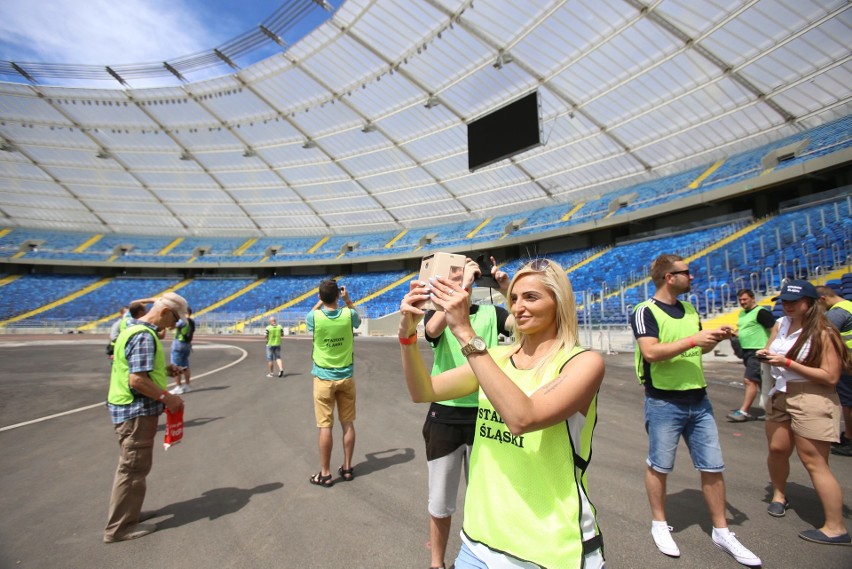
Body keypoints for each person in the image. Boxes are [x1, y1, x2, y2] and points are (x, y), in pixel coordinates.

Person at [399, 258, 606, 569]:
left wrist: (466, 333)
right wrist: (407, 336)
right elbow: (423, 390)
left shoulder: (581, 363)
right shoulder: (496, 356)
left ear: (559, 302)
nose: (519, 306)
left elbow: (523, 418)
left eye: (531, 297)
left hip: (550, 551)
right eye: (514, 298)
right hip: (479, 544)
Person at [630, 254, 761, 566]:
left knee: (713, 466)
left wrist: (713, 338)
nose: (692, 277)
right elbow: (650, 352)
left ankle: (722, 530)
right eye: (686, 273)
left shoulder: (689, 309)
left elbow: (698, 347)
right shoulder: (644, 310)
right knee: (659, 465)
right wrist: (693, 339)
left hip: (698, 399)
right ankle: (659, 524)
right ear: (668, 277)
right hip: (663, 401)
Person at [421, 256, 514, 569]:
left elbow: (523, 325)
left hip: (485, 415)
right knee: (440, 501)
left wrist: (507, 288)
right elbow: (431, 332)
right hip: (445, 417)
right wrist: (460, 288)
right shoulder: (437, 314)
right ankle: (437, 563)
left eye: (467, 273)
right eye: (458, 274)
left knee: (485, 498)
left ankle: (481, 559)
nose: (465, 279)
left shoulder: (491, 312)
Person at [760, 280, 852, 545]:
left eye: (793, 301)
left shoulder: (824, 332)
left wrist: (788, 362)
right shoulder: (781, 325)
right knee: (777, 449)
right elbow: (771, 347)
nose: (786, 305)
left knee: (814, 461)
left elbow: (830, 376)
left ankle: (835, 527)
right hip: (781, 392)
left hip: (812, 396)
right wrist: (766, 355)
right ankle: (779, 495)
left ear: (811, 304)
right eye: (784, 301)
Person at [104, 293, 187, 543]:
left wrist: (164, 369)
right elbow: (137, 380)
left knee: (136, 467)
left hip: (127, 408)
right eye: (174, 319)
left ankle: (131, 512)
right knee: (132, 468)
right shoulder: (144, 335)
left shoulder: (133, 329)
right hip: (135, 411)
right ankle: (119, 528)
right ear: (163, 312)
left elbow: (136, 368)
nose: (174, 326)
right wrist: (168, 398)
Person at [306, 281, 360, 487]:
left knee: (325, 426)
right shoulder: (348, 315)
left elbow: (309, 317)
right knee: (347, 423)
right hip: (346, 376)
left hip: (323, 378)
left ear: (321, 296)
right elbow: (358, 319)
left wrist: (320, 302)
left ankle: (326, 473)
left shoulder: (315, 317)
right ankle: (347, 468)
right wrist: (347, 300)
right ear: (338, 295)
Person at [727, 289, 776, 422]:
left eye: (745, 299)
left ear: (753, 299)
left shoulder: (761, 312)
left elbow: (774, 330)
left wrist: (766, 348)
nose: (742, 302)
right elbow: (745, 330)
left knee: (749, 380)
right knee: (761, 382)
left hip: (758, 351)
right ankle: (771, 412)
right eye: (740, 300)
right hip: (746, 352)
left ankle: (743, 411)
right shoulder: (742, 314)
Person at [816, 286, 852, 456]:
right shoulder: (849, 306)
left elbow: (819, 336)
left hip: (848, 363)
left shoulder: (836, 314)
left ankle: (849, 439)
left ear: (823, 299)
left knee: (848, 402)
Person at [170, 306, 195, 394]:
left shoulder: (182, 321)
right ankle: (187, 385)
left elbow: (172, 326)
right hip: (187, 345)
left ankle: (178, 386)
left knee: (175, 366)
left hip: (178, 344)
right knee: (185, 365)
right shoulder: (191, 321)